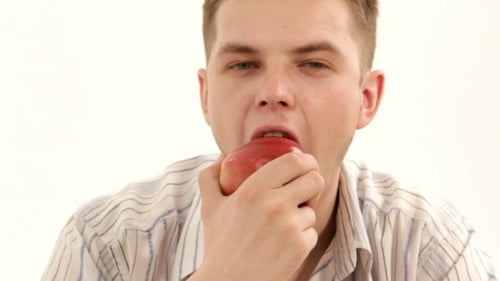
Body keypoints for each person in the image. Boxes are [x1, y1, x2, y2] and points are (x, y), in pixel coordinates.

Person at [42, 0, 497, 280]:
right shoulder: (106, 245)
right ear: (206, 95)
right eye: (243, 65)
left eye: (314, 64)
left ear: (366, 98)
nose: (274, 93)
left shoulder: (426, 245)